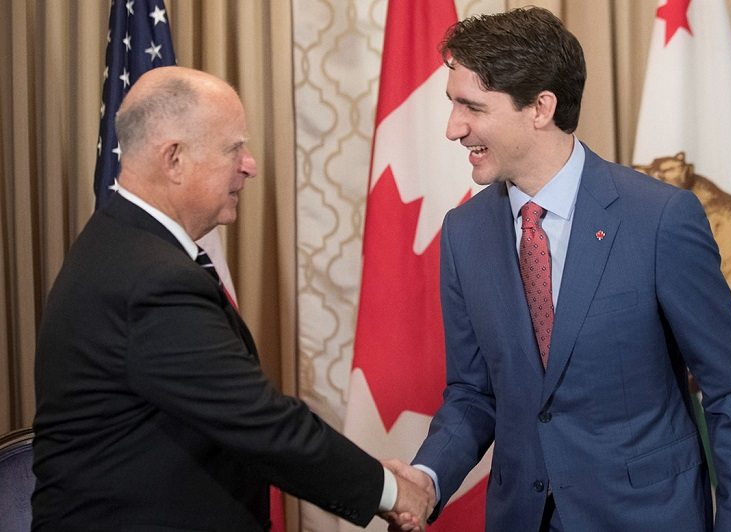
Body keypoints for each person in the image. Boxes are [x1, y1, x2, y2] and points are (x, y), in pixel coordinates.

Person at [385, 7, 731, 532]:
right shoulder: (463, 233)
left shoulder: (659, 219)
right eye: (452, 105)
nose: (453, 128)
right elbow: (474, 394)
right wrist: (428, 477)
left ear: (540, 107)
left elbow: (730, 394)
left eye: (471, 106)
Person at [32, 66, 432, 532]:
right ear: (174, 160)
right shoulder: (152, 280)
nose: (250, 164)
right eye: (233, 148)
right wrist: (391, 490)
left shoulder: (123, 242)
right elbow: (261, 423)